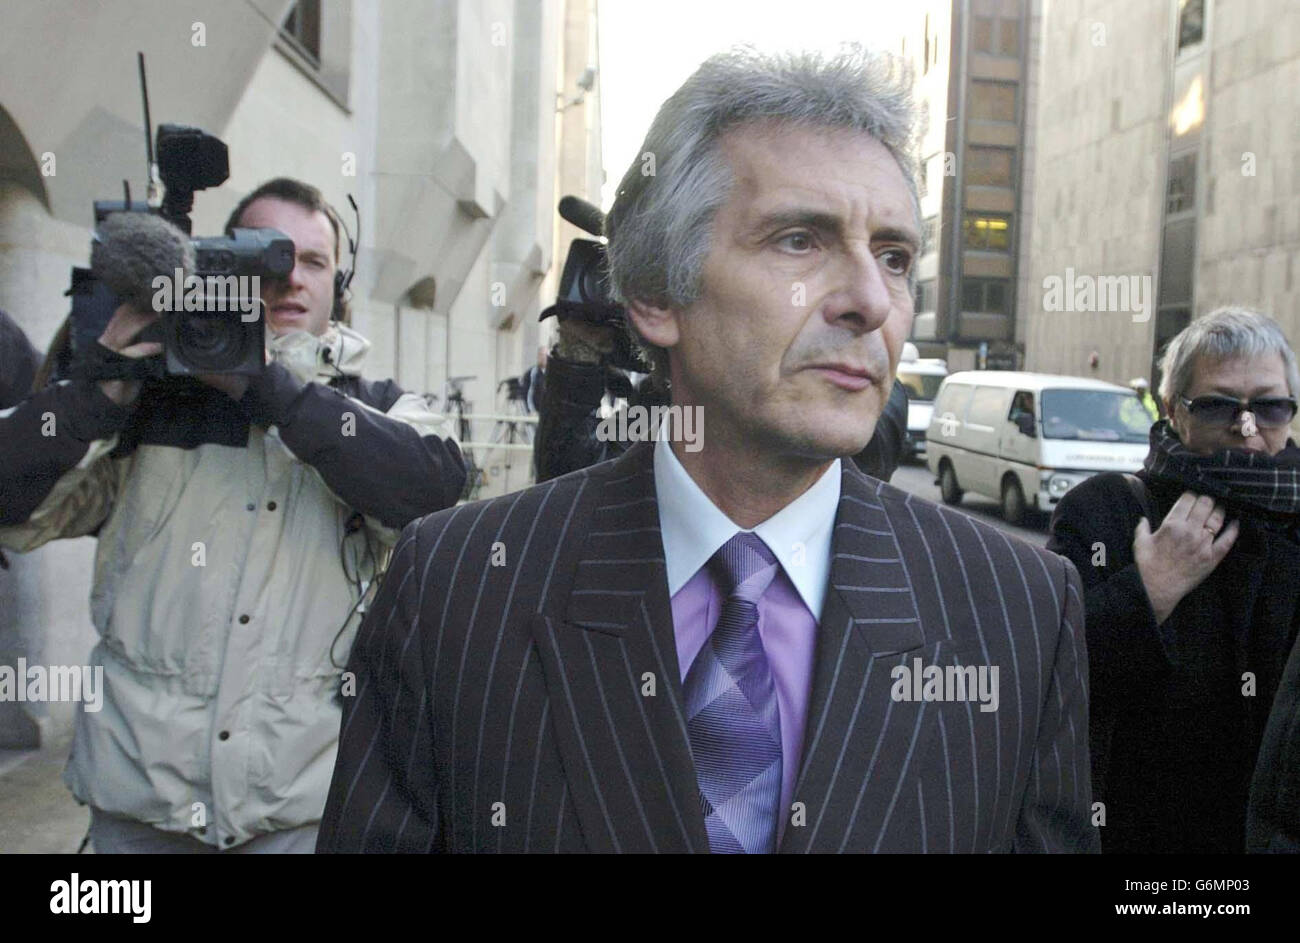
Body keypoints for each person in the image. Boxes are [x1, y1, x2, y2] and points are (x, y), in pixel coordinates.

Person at [319, 46, 1096, 854]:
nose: (872, 300)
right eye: (801, 240)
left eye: (894, 257)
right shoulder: (456, 586)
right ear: (656, 293)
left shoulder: (1021, 613)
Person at [0, 177, 466, 852]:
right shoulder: (146, 405)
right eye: (266, 255)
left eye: (312, 260)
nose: (290, 278)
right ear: (217, 267)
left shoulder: (379, 406)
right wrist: (96, 389)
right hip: (138, 815)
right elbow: (15, 498)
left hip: (298, 819)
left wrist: (268, 389)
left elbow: (433, 491)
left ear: (340, 283)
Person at [1048, 306, 1300, 853]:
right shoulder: (1106, 510)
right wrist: (1149, 590)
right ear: (1172, 409)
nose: (1247, 428)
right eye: (1217, 406)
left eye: (1271, 406)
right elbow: (1047, 682)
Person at [535, 317, 910, 482]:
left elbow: (864, 463)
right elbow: (573, 478)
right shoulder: (678, 401)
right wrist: (577, 359)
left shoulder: (864, 392)